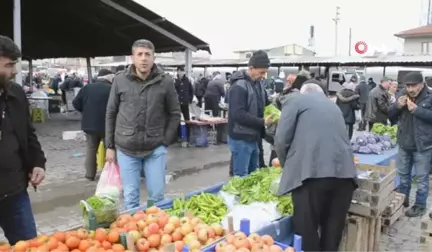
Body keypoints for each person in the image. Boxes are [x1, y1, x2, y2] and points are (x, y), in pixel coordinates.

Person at [274, 80, 357, 252]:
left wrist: (286, 166)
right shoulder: (333, 106)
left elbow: (281, 140)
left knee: (307, 231)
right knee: (332, 234)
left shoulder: (295, 100)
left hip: (311, 176)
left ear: (302, 92)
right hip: (345, 176)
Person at [105, 39, 181, 209]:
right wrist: (110, 145)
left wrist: (165, 141)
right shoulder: (120, 80)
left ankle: (156, 232)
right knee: (131, 197)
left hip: (155, 147)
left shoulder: (165, 82)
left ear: (154, 57)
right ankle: (133, 232)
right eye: (139, 54)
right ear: (133, 57)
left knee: (157, 197)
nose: (144, 58)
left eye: (148, 54)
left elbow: (175, 113)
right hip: (126, 148)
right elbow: (111, 113)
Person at [0, 35, 46, 244]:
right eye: (9, 65)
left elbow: (28, 134)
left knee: (29, 246)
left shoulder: (16, 93)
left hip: (15, 192)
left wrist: (37, 162)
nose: (14, 71)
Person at [388, 72, 432, 217]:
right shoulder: (402, 94)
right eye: (408, 86)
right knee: (403, 175)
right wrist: (397, 107)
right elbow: (391, 116)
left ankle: (420, 206)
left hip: (423, 146)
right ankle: (402, 199)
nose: (410, 89)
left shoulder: (429, 96)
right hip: (404, 143)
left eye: (413, 86)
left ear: (422, 84)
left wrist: (417, 110)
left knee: (422, 177)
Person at [228, 50, 272, 177]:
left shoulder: (258, 84)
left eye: (265, 73)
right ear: (251, 68)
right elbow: (238, 114)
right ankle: (239, 197)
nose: (263, 76)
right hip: (241, 138)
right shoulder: (239, 86)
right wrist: (262, 122)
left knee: (255, 175)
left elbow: (265, 104)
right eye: (261, 72)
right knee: (241, 176)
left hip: (254, 137)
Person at [73, 69, 115, 181]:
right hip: (108, 125)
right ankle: (108, 176)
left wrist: (85, 111)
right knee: (109, 149)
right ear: (109, 77)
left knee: (91, 149)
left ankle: (90, 174)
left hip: (90, 124)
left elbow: (75, 103)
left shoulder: (87, 88)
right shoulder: (112, 89)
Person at [174, 66, 193, 140]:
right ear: (177, 72)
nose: (182, 72)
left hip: (185, 103)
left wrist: (190, 99)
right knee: (177, 119)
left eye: (183, 71)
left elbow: (191, 90)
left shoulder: (187, 80)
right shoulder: (175, 80)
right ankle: (178, 136)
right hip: (177, 103)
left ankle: (188, 136)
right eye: (180, 71)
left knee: (187, 119)